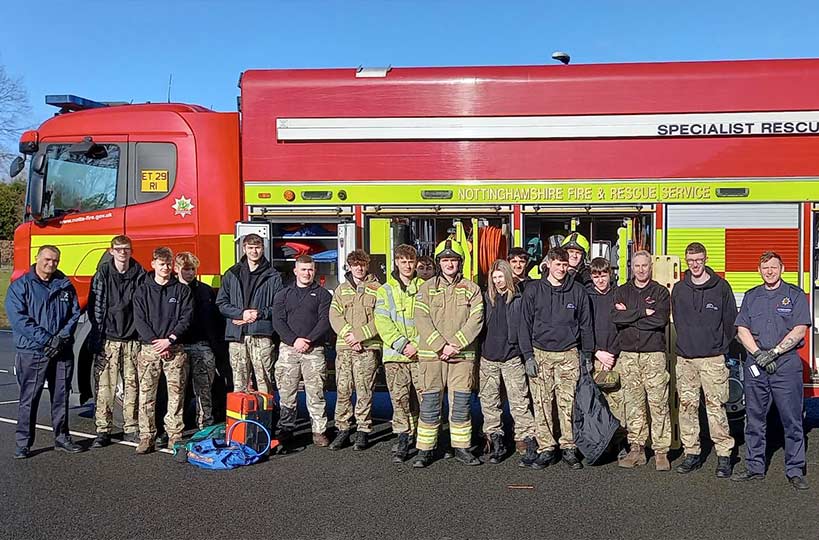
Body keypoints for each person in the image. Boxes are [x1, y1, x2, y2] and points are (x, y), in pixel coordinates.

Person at [732, 251, 810, 490]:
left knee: (792, 419)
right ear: (759, 270)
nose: (770, 272)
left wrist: (775, 352)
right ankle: (755, 467)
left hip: (785, 365)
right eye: (765, 268)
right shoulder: (752, 296)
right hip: (757, 364)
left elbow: (799, 330)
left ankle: (795, 470)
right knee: (754, 419)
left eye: (774, 267)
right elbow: (741, 329)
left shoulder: (794, 295)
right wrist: (758, 355)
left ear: (782, 269)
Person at [519, 247, 593, 470]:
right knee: (542, 404)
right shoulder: (534, 290)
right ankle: (546, 448)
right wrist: (528, 356)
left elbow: (586, 325)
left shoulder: (578, 292)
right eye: (557, 264)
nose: (561, 268)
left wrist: (587, 354)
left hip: (569, 354)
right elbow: (524, 325)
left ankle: (569, 447)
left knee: (567, 403)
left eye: (564, 264)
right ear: (548, 264)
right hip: (540, 353)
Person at [413, 239, 484, 467]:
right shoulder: (426, 288)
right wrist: (440, 346)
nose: (449, 264)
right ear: (438, 263)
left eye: (453, 260)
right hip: (432, 357)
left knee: (461, 403)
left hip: (461, 357)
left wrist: (455, 345)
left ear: (460, 262)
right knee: (431, 402)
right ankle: (425, 450)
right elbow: (421, 320)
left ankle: (461, 448)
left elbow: (477, 319)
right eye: (445, 260)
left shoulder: (472, 289)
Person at [7, 245, 83, 458]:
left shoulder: (65, 285)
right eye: (47, 259)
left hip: (62, 350)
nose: (51, 264)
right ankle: (23, 443)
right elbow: (19, 319)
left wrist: (60, 339)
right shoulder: (21, 286)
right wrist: (47, 340)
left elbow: (74, 313)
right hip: (33, 351)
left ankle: (61, 437)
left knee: (61, 396)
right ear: (37, 258)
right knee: (29, 398)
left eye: (55, 261)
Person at [671, 242, 736, 478]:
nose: (695, 264)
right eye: (691, 261)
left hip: (713, 359)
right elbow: (677, 318)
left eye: (699, 260)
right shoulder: (679, 289)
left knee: (716, 407)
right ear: (686, 261)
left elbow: (730, 321)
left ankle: (724, 455)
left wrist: (719, 345)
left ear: (706, 259)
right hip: (686, 358)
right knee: (687, 408)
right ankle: (692, 453)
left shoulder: (720, 287)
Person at [611, 250, 671, 471]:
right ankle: (636, 449)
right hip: (628, 355)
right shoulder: (622, 291)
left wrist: (631, 316)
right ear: (631, 267)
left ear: (650, 266)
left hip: (653, 354)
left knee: (658, 404)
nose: (641, 270)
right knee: (633, 404)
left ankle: (661, 451)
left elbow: (660, 320)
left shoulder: (660, 292)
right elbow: (616, 318)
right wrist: (643, 312)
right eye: (636, 266)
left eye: (644, 265)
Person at [132, 247, 193, 454]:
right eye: (161, 264)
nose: (165, 267)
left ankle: (174, 435)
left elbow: (186, 318)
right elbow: (139, 320)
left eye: (168, 264)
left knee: (176, 395)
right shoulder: (142, 290)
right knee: (147, 395)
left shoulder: (182, 290)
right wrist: (156, 343)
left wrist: (170, 340)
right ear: (153, 264)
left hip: (175, 348)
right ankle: (146, 436)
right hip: (149, 350)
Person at [88, 235, 145, 447]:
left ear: (131, 251)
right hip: (108, 340)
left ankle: (130, 428)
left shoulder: (139, 274)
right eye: (119, 249)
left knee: (132, 387)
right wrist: (98, 335)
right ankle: (103, 431)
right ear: (111, 251)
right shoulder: (102, 274)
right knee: (105, 387)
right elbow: (95, 308)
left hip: (132, 339)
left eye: (126, 249)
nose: (123, 252)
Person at [479, 259, 537, 464]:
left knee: (519, 402)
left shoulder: (519, 299)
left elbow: (525, 327)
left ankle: (527, 439)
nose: (497, 281)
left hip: (511, 357)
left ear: (508, 276)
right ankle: (496, 441)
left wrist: (527, 355)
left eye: (500, 276)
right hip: (488, 358)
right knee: (489, 403)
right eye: (494, 277)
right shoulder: (486, 298)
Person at [272, 255, 333, 447]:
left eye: (310, 269)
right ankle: (286, 429)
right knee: (286, 392)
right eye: (303, 269)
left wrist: (308, 340)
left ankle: (319, 431)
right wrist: (293, 340)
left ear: (314, 271)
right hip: (288, 350)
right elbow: (278, 321)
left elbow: (325, 321)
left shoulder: (323, 295)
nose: (307, 273)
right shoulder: (283, 294)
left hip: (314, 350)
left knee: (316, 392)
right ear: (295, 271)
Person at [375, 244, 424, 463]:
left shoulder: (425, 287)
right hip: (396, 355)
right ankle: (404, 438)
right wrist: (403, 345)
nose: (407, 265)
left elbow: (431, 321)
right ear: (396, 262)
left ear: (416, 263)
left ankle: (425, 440)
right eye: (403, 261)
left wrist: (418, 346)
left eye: (410, 261)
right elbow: (382, 322)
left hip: (421, 355)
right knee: (400, 400)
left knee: (425, 399)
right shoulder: (385, 290)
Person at [328, 249, 382, 451]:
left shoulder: (378, 289)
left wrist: (361, 336)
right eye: (355, 265)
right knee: (342, 389)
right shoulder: (341, 290)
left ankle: (363, 430)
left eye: (362, 264)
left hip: (368, 348)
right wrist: (350, 336)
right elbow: (334, 316)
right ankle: (343, 429)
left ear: (367, 265)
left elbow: (381, 319)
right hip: (344, 348)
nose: (359, 268)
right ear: (349, 267)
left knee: (364, 390)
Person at [216, 233, 283, 394]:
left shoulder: (273, 276)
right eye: (251, 248)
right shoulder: (231, 274)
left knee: (264, 379)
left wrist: (257, 314)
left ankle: (266, 417)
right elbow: (221, 303)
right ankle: (242, 418)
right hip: (237, 336)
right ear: (244, 249)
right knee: (238, 382)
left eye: (258, 247)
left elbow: (279, 306)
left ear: (263, 249)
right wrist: (242, 314)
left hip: (262, 334)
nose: (254, 251)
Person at [175, 251, 221, 430]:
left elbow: (214, 321)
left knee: (204, 390)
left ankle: (205, 426)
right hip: (178, 347)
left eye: (192, 269)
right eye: (186, 269)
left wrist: (216, 348)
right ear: (177, 269)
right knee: (177, 391)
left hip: (202, 346)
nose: (189, 273)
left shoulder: (205, 290)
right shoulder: (171, 290)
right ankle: (175, 429)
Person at [588, 257, 625, 429]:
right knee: (597, 400)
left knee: (618, 401)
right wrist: (597, 352)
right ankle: (601, 443)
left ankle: (619, 441)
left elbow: (624, 327)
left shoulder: (620, 295)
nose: (600, 280)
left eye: (603, 275)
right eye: (596, 276)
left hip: (616, 357)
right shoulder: (587, 296)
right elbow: (583, 328)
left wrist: (612, 354)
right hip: (595, 357)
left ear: (610, 274)